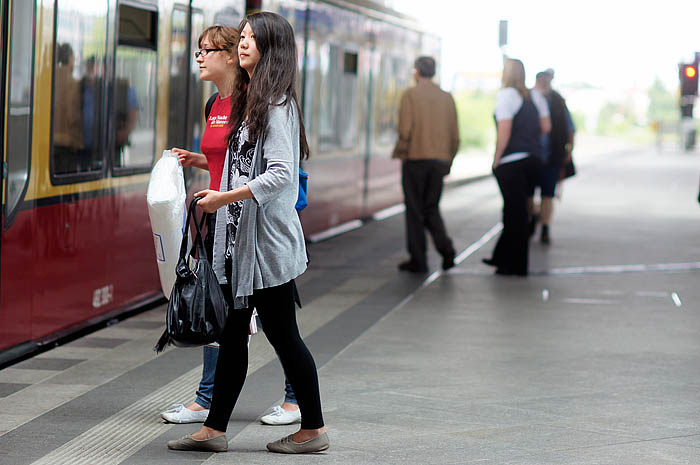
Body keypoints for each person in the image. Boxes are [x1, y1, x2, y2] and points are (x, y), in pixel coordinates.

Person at [167, 12, 328, 454]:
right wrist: (218, 190)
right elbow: (242, 163)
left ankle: (312, 429)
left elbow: (281, 174)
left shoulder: (277, 104)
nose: (242, 44)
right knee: (234, 336)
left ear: (271, 48)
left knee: (283, 336)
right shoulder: (254, 99)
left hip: (267, 246)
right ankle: (213, 431)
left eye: (252, 39)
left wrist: (225, 197)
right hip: (239, 246)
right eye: (242, 37)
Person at [482, 58, 550, 276]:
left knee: (514, 212)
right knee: (520, 211)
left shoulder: (506, 96)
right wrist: (528, 137)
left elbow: (504, 130)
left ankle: (515, 265)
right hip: (534, 160)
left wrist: (496, 157)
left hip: (512, 161)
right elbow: (546, 126)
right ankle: (502, 257)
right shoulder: (535, 96)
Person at [393, 56, 459, 273]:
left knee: (414, 210)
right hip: (440, 161)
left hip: (415, 159)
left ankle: (418, 260)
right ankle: (446, 250)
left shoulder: (410, 95)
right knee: (431, 208)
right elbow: (454, 134)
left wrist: (402, 152)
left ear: (417, 72)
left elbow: (405, 130)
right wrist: (449, 159)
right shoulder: (447, 97)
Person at [529, 69, 575, 245]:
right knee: (529, 193)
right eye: (542, 81)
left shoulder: (558, 101)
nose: (545, 84)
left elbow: (570, 128)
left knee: (548, 194)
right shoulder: (529, 98)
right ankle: (533, 216)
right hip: (532, 155)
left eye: (547, 81)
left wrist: (569, 150)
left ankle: (545, 226)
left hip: (552, 155)